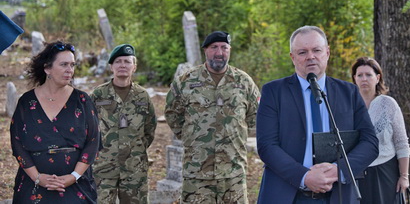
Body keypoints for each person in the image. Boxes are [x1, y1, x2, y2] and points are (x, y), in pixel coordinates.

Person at [257, 25, 379, 204]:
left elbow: (370, 142)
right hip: (288, 194)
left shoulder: (349, 92)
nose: (310, 57)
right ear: (292, 57)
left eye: (316, 50)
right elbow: (267, 145)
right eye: (302, 52)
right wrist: (304, 176)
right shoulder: (273, 92)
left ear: (327, 53)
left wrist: (339, 170)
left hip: (339, 194)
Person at [164, 31, 260, 203]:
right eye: (214, 47)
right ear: (205, 50)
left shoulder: (244, 82)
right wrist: (191, 137)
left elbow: (253, 116)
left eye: (224, 47)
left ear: (229, 50)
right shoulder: (185, 81)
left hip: (233, 173)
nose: (219, 52)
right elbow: (172, 114)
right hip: (197, 172)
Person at [10, 41, 100, 203]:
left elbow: (93, 141)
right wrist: (38, 178)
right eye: (64, 64)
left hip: (75, 186)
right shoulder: (27, 101)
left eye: (72, 65)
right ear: (47, 68)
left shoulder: (82, 100)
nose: (69, 70)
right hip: (33, 187)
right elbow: (17, 143)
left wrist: (73, 177)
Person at [90, 44, 157, 204]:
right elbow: (87, 127)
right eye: (118, 61)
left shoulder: (142, 96)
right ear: (111, 66)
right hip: (103, 167)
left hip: (134, 168)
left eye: (127, 61)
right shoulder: (98, 94)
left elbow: (150, 129)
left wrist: (134, 149)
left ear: (134, 67)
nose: (122, 65)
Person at [351, 57, 410, 203]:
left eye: (368, 75)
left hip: (385, 172)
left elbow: (402, 143)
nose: (364, 79)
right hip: (356, 173)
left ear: (377, 78)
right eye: (360, 75)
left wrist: (404, 177)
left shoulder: (388, 104)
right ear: (354, 79)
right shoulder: (348, 105)